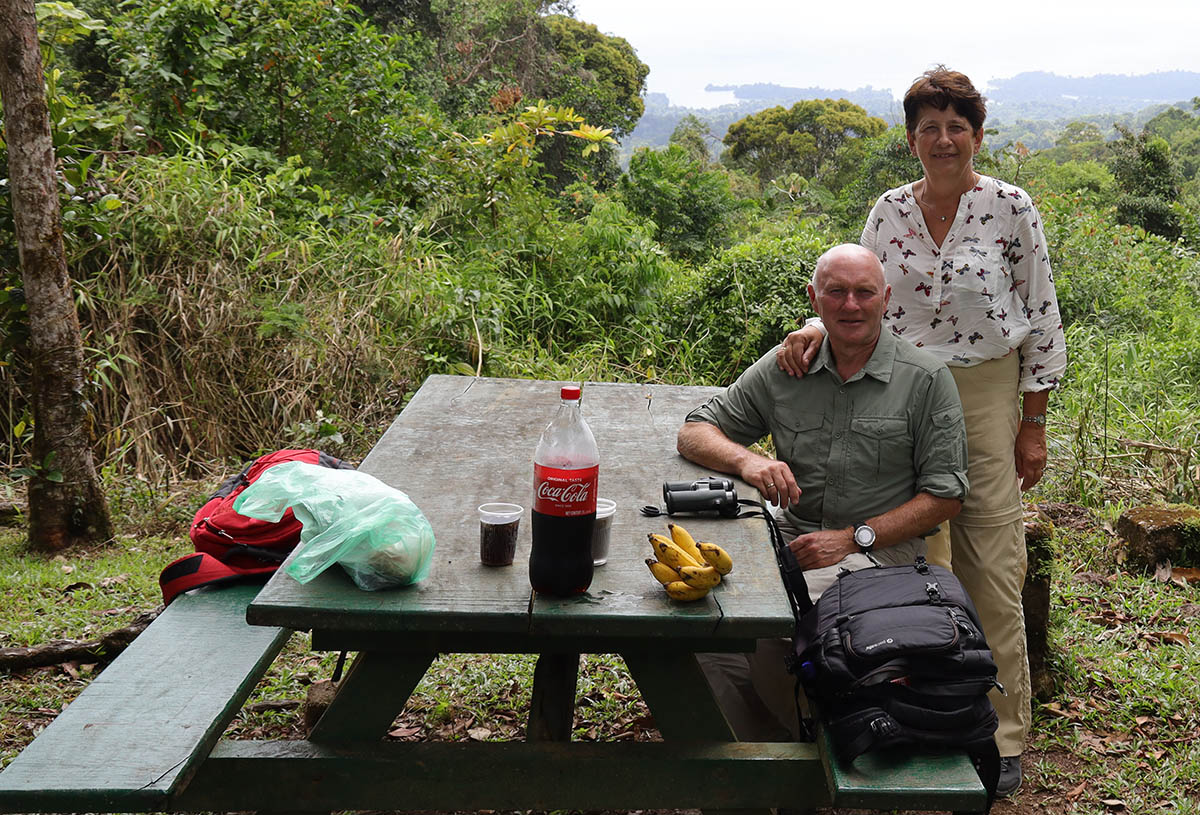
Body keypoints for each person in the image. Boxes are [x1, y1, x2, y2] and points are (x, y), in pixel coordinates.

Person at [775, 67, 1067, 797]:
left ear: (976, 135)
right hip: (900, 387)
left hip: (984, 389)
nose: (943, 139)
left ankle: (1000, 735)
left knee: (991, 556)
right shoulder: (890, 209)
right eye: (929, 127)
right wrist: (814, 328)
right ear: (912, 141)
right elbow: (860, 288)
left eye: (956, 126)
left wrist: (1032, 425)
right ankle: (916, 714)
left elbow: (1041, 312)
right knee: (912, 559)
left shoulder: (1008, 206)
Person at [677, 243, 968, 742]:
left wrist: (855, 538)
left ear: (886, 299)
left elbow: (945, 496)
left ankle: (821, 755)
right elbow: (696, 430)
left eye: (863, 293)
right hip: (788, 534)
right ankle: (764, 761)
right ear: (814, 298)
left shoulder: (925, 380)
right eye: (836, 292)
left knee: (781, 625)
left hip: (880, 554)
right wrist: (751, 460)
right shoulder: (785, 366)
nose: (850, 305)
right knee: (699, 630)